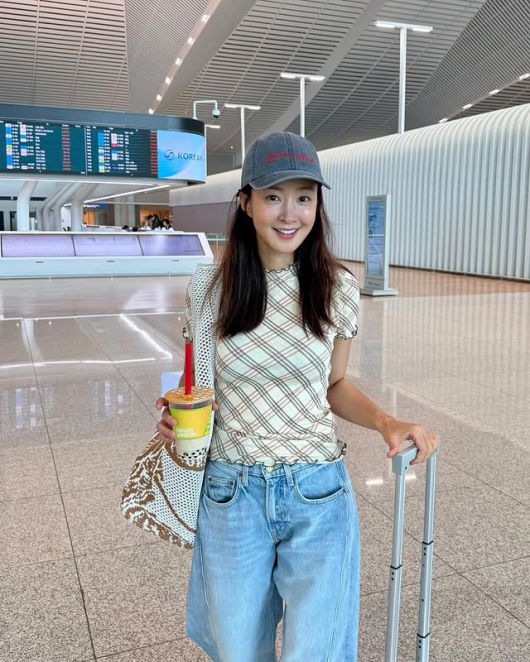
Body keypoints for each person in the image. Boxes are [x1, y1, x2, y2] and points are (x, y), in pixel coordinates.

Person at [155, 131, 437, 661]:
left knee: (317, 651)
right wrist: (176, 416)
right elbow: (198, 381)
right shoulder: (209, 288)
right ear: (246, 203)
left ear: (317, 205)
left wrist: (386, 421)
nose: (290, 214)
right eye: (273, 196)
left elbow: (333, 384)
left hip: (317, 490)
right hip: (230, 489)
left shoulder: (337, 286)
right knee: (238, 650)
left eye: (304, 197)